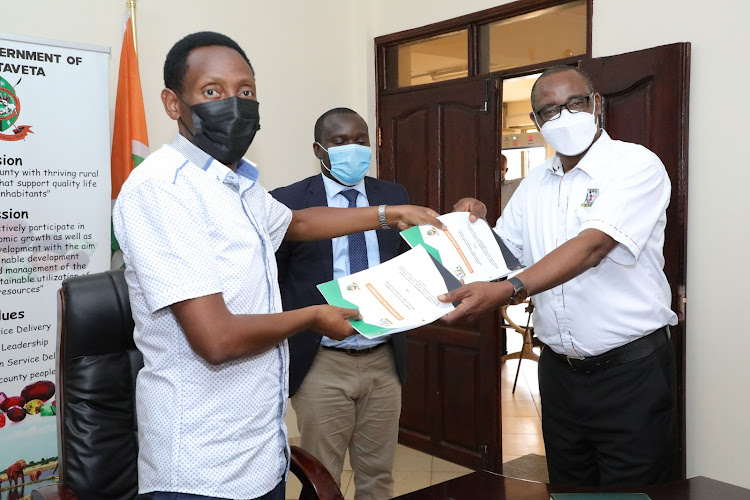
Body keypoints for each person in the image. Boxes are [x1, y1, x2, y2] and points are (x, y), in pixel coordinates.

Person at [112, 32, 444, 500]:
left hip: (259, 450)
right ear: (173, 103)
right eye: (212, 91)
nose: (234, 103)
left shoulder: (237, 185)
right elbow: (216, 339)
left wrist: (390, 214)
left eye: (245, 91)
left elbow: (300, 222)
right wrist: (312, 317)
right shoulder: (163, 190)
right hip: (200, 465)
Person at [444, 65, 678, 487]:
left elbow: (593, 247)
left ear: (597, 105)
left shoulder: (635, 165)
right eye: (550, 110)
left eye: (575, 103)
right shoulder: (534, 183)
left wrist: (510, 289)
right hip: (558, 376)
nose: (564, 116)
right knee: (570, 488)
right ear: (536, 122)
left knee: (633, 493)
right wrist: (471, 224)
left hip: (630, 373)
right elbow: (502, 253)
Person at [271, 108, 409, 499]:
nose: (354, 148)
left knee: (378, 475)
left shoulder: (393, 196)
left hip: (383, 357)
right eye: (340, 141)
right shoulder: (288, 202)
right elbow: (273, 284)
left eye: (361, 139)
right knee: (321, 479)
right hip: (321, 362)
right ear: (319, 149)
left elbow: (405, 266)